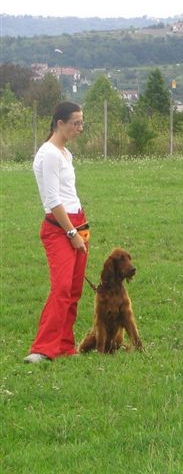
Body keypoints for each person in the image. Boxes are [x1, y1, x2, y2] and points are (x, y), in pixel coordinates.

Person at [25, 101, 89, 363]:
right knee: (61, 287)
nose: (80, 128)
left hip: (78, 222)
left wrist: (79, 229)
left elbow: (69, 194)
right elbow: (52, 200)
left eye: (82, 123)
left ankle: (65, 345)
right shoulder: (48, 154)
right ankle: (42, 348)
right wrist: (72, 234)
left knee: (74, 289)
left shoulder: (66, 154)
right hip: (60, 227)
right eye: (76, 123)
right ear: (59, 123)